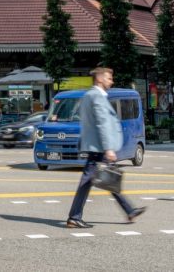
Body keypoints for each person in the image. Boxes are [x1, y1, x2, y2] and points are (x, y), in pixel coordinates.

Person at [66, 68, 146, 229]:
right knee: (92, 180)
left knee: (107, 177)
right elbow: (101, 123)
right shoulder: (96, 96)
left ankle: (129, 210)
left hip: (96, 146)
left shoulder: (90, 95)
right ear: (99, 79)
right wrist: (108, 148)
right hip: (99, 147)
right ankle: (74, 217)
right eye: (109, 78)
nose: (112, 81)